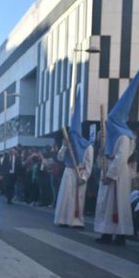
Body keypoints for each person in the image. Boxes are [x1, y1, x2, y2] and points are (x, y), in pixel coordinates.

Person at [93, 61, 139, 245]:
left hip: (118, 175)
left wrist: (110, 174)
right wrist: (102, 157)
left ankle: (120, 233)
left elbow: (121, 157)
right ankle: (106, 231)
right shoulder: (111, 136)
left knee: (117, 203)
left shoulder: (123, 137)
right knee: (106, 203)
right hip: (109, 173)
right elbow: (105, 155)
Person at [54, 91, 94, 228]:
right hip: (68, 171)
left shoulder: (87, 146)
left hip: (80, 172)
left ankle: (77, 220)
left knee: (78, 198)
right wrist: (64, 147)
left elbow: (89, 163)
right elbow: (59, 158)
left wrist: (84, 176)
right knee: (66, 197)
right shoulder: (67, 144)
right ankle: (64, 219)